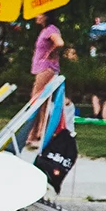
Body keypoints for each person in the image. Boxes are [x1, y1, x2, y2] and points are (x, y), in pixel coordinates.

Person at [27, 13, 65, 146]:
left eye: (40, 14)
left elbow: (60, 43)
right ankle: (38, 132)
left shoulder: (51, 30)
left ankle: (34, 133)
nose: (36, 16)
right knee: (41, 103)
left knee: (36, 100)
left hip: (46, 68)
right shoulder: (45, 31)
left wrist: (52, 52)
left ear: (46, 16)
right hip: (41, 68)